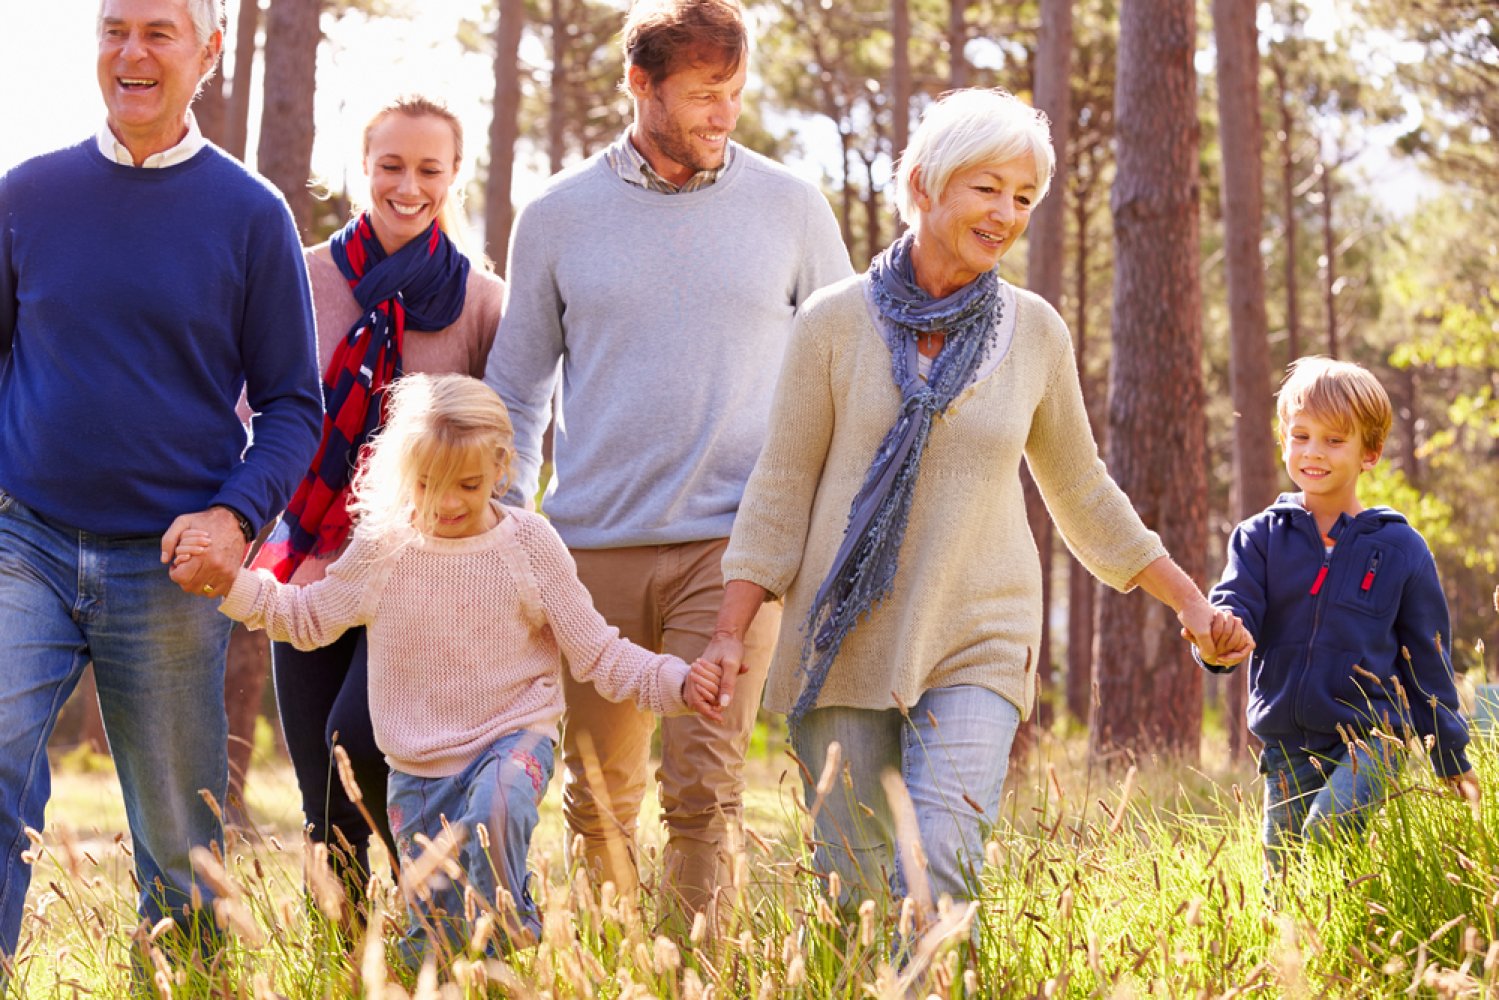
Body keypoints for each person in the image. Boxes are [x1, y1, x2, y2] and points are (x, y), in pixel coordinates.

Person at [703, 89, 1252, 918]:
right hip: (844, 634)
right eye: (986, 187)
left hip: (980, 636)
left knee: (943, 868)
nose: (1006, 213)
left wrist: (1187, 601)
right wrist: (724, 635)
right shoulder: (831, 322)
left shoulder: (1033, 332)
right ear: (924, 185)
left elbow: (1080, 488)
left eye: (1023, 197)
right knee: (851, 889)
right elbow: (780, 487)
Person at [484, 0, 852, 928]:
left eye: (733, 93)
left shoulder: (791, 207)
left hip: (732, 549)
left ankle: (695, 979)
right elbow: (519, 391)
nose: (722, 116)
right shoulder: (557, 216)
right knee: (597, 795)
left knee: (704, 790)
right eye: (701, 95)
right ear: (640, 85)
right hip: (588, 552)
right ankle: (618, 972)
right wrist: (506, 526)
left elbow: (847, 367)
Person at [177, 374, 724, 954]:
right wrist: (234, 586)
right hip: (417, 768)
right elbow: (307, 617)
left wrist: (679, 682)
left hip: (511, 737)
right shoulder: (384, 549)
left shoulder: (530, 545)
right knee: (433, 939)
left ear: (500, 469)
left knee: (496, 807)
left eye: (467, 484)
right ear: (402, 475)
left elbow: (599, 651)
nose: (448, 502)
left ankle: (514, 940)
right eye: (428, 484)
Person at [0, 0, 321, 968]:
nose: (131, 53)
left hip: (171, 568)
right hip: (27, 543)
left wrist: (234, 515)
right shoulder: (27, 194)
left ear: (209, 53)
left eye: (159, 32)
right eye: (113, 29)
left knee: (183, 848)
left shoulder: (252, 216)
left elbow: (291, 406)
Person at [249, 95, 506, 902]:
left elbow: (502, 443)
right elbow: (245, 403)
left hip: (417, 574)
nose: (407, 185)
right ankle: (348, 964)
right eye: (390, 165)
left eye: (429, 169)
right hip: (309, 564)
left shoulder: (479, 303)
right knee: (321, 793)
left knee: (357, 742)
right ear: (363, 167)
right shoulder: (298, 274)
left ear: (454, 176)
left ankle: (441, 921)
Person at [1194, 357, 1479, 873]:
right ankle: (1326, 948)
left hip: (1374, 738)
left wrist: (1450, 757)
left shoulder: (1400, 548)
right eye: (1300, 436)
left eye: (1333, 440)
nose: (1312, 453)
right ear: (1283, 440)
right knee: (1284, 884)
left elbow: (1427, 660)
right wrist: (1216, 637)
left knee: (1327, 827)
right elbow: (1235, 608)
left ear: (1369, 453)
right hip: (1287, 746)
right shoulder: (1258, 538)